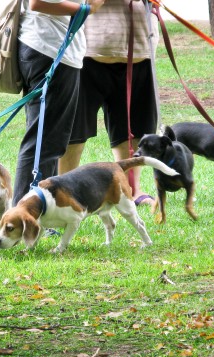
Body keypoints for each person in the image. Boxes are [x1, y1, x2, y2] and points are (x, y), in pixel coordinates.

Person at [58, 0, 159, 206]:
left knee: (134, 128)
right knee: (74, 129)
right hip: (89, 51)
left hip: (139, 49)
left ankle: (130, 189)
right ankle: (64, 190)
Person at [12, 0, 105, 205]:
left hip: (49, 50)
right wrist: (86, 9)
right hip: (50, 52)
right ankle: (25, 213)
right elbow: (38, 3)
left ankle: (39, 211)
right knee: (43, 142)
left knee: (49, 142)